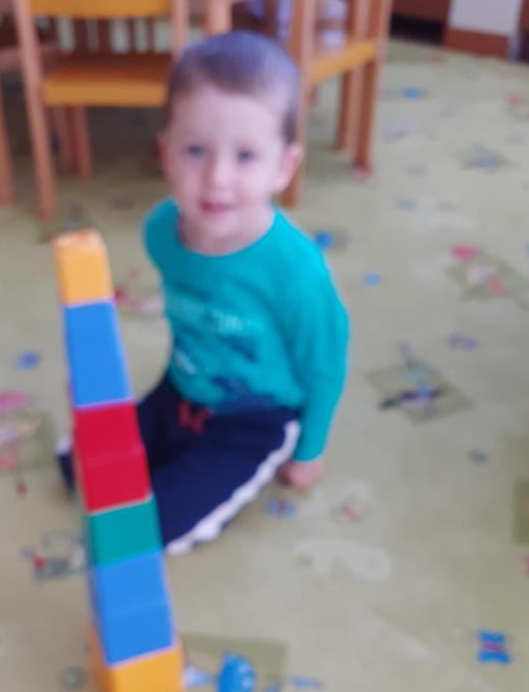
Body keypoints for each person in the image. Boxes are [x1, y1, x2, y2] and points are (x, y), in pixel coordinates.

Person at [62, 30, 349, 555]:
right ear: (166, 154)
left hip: (255, 419)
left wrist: (310, 451)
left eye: (246, 156)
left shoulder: (295, 272)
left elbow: (325, 365)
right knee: (79, 465)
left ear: (283, 167)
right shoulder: (160, 231)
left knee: (145, 529)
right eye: (196, 150)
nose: (217, 178)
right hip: (180, 389)